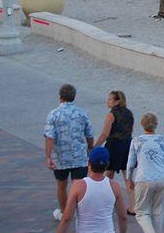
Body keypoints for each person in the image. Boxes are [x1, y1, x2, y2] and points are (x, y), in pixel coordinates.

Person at [44, 83, 94, 222]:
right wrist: (90, 148)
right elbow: (89, 133)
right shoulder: (81, 113)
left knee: (61, 184)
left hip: (60, 157)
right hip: (79, 156)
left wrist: (48, 157)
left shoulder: (53, 114)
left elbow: (49, 137)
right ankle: (80, 212)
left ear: (60, 97)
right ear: (74, 97)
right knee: (79, 185)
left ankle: (64, 212)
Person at [56, 146, 128, 233]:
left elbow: (67, 218)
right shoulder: (114, 186)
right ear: (107, 164)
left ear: (89, 163)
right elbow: (123, 217)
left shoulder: (78, 186)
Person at [126, 112, 164, 233]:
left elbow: (130, 162)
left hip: (144, 178)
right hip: (162, 177)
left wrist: (129, 178)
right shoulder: (162, 139)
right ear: (156, 124)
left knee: (141, 212)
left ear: (142, 125)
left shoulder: (136, 141)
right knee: (158, 212)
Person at [94, 91, 134, 215]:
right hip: (127, 145)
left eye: (110, 99)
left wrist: (95, 147)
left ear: (117, 101)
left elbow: (105, 134)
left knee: (107, 176)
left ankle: (103, 203)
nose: (108, 101)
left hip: (114, 146)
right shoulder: (129, 113)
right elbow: (130, 131)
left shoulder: (111, 115)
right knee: (128, 176)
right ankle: (134, 206)